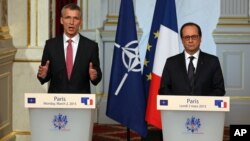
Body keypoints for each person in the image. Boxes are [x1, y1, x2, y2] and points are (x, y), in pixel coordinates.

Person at [37, 3, 102, 93]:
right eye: (67, 17)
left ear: (80, 22)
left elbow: (97, 77)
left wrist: (94, 76)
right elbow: (44, 76)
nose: (71, 22)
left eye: (75, 18)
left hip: (81, 101)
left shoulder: (91, 46)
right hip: (56, 101)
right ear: (61, 20)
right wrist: (43, 75)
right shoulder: (50, 45)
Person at [159, 22, 225, 96]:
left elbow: (219, 90)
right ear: (182, 40)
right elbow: (164, 89)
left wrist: (201, 103)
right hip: (178, 107)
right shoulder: (171, 62)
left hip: (204, 107)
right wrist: (179, 102)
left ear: (200, 38)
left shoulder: (213, 61)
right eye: (187, 37)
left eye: (194, 37)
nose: (190, 41)